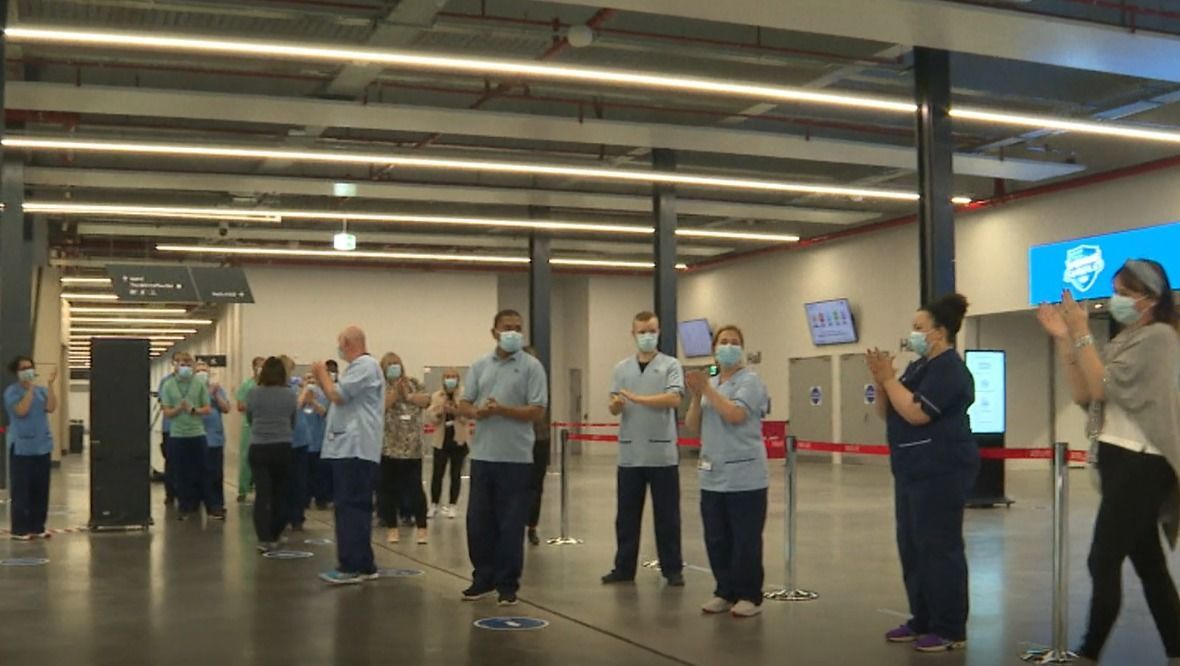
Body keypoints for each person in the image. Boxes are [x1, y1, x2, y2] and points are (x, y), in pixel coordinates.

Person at [1037, 259, 1180, 663]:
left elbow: (1100, 385)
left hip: (1143, 462)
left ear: (1150, 299)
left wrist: (1081, 331)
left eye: (1124, 292)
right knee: (1149, 565)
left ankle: (1089, 651)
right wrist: (1065, 339)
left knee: (1103, 557)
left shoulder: (1159, 339)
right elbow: (1085, 394)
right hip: (1120, 459)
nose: (1114, 300)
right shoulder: (1126, 339)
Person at [866, 292, 979, 653]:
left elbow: (917, 413)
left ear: (939, 332)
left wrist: (890, 381)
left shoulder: (950, 371)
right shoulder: (917, 368)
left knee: (938, 547)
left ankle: (950, 627)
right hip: (911, 470)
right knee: (912, 546)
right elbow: (889, 411)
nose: (912, 334)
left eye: (919, 328)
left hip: (940, 471)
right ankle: (922, 618)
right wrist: (883, 380)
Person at [458, 309, 548, 606]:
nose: (513, 332)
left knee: (511, 526)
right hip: (483, 456)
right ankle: (482, 578)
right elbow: (464, 403)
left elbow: (537, 410)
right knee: (479, 522)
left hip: (517, 459)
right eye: (507, 327)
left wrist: (503, 410)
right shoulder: (481, 365)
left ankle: (508, 585)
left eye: (518, 328)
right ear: (494, 331)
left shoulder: (532, 367)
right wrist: (478, 412)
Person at [684, 325, 769, 619]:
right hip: (712, 474)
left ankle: (749, 594)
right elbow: (693, 426)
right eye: (724, 342)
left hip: (745, 476)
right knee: (717, 537)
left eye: (735, 342)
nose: (729, 346)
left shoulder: (751, 382)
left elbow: (735, 414)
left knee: (745, 539)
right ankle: (725, 590)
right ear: (714, 349)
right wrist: (697, 396)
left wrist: (706, 389)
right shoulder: (712, 384)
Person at [601, 311, 685, 587]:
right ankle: (623, 567)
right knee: (626, 517)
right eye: (642, 332)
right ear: (633, 334)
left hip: (661, 455)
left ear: (659, 332)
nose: (647, 336)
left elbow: (673, 398)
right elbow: (614, 402)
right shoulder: (621, 368)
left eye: (652, 331)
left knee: (667, 517)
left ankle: (672, 568)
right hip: (630, 455)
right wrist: (616, 405)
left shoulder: (670, 365)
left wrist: (638, 398)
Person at [314, 326, 385, 584]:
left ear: (346, 342)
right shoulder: (359, 369)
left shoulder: (365, 365)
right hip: (350, 448)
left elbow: (338, 395)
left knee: (349, 507)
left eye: (339, 343)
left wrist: (322, 374)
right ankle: (365, 564)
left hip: (355, 449)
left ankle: (350, 565)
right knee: (355, 507)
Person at [378, 353, 431, 545]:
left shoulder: (414, 383)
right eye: (389, 364)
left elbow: (426, 400)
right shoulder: (380, 386)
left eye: (396, 364)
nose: (394, 367)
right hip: (389, 447)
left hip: (413, 448)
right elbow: (380, 407)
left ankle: (422, 529)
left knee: (415, 488)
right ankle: (392, 528)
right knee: (388, 490)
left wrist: (408, 395)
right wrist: (395, 394)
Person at [246, 357, 298, 552]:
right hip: (282, 446)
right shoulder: (290, 394)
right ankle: (275, 533)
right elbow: (293, 419)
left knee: (262, 494)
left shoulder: (253, 393)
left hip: (259, 446)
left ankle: (263, 538)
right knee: (281, 494)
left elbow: (250, 417)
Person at [4, 357, 58, 540]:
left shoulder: (42, 391)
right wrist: (29, 390)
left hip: (41, 446)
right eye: (24, 368)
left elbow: (51, 407)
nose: (28, 370)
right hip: (21, 447)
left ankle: (38, 526)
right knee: (22, 489)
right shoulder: (12, 392)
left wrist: (50, 385)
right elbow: (21, 411)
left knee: (41, 488)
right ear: (17, 372)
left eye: (30, 367)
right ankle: (20, 529)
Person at [159, 352, 212, 520]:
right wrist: (179, 409)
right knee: (180, 472)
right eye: (182, 364)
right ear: (175, 365)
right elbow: (166, 411)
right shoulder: (168, 385)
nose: (185, 367)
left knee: (201, 469)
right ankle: (183, 505)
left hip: (197, 433)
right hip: (177, 435)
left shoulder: (198, 384)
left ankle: (199, 503)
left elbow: (207, 408)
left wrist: (194, 410)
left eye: (188, 364)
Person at [427, 368, 470, 520]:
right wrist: (440, 411)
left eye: (453, 377)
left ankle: (452, 505)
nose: (450, 379)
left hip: (458, 440)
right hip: (441, 440)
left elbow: (467, 417)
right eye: (447, 377)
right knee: (437, 474)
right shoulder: (437, 396)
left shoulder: (464, 396)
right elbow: (431, 417)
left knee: (455, 474)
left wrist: (456, 410)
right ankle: (434, 504)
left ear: (458, 379)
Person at [196, 361, 231, 521]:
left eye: (205, 371)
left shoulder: (218, 389)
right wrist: (209, 393)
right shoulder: (192, 390)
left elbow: (226, 408)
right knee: (201, 473)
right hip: (198, 437)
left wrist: (216, 394)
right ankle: (200, 503)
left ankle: (217, 505)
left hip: (215, 438)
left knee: (216, 473)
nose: (203, 373)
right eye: (199, 371)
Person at [292, 371, 327, 528]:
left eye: (313, 379)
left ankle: (321, 499)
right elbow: (294, 409)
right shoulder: (295, 395)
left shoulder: (321, 395)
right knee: (302, 476)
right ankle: (303, 501)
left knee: (319, 474)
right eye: (307, 379)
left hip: (318, 441)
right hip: (302, 442)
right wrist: (303, 397)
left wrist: (313, 402)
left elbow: (324, 412)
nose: (310, 382)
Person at [523, 346, 550, 547]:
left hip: (539, 439)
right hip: (517, 439)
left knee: (535, 487)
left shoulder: (540, 383)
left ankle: (532, 526)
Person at [308, 360, 339, 510]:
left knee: (326, 472)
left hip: (328, 439)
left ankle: (326, 497)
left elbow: (326, 413)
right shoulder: (312, 390)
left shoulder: (335, 392)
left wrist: (313, 403)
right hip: (312, 439)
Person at [235, 356, 264, 503]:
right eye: (259, 366)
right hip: (249, 427)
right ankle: (243, 489)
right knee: (246, 459)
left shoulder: (268, 386)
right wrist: (255, 405)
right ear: (253, 368)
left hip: (264, 428)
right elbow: (240, 406)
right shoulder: (247, 385)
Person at [158, 354, 179, 505]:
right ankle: (170, 494)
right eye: (177, 361)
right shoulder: (166, 382)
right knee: (171, 462)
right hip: (170, 428)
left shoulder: (195, 383)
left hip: (188, 429)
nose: (180, 365)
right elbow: (164, 402)